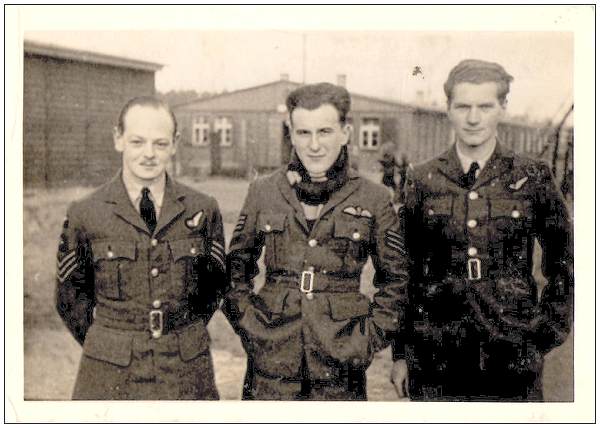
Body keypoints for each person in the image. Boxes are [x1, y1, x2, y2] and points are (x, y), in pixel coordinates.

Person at [390, 59, 574, 401]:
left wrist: (545, 333)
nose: (473, 118)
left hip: (513, 356)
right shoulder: (423, 179)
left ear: (502, 108)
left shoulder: (532, 176)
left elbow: (566, 262)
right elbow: (406, 272)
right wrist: (401, 354)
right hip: (436, 359)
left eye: (485, 106)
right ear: (448, 109)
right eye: (463, 106)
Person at [223, 82, 409, 400]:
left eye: (324, 131)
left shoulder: (373, 197)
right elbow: (234, 269)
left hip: (339, 366)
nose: (314, 145)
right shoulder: (264, 191)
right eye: (304, 133)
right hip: (272, 363)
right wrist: (251, 327)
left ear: (345, 132)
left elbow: (397, 281)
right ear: (291, 134)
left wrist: (366, 341)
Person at [55, 96, 227, 400]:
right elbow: (70, 299)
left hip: (185, 370)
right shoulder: (86, 212)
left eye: (160, 144)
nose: (149, 154)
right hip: (110, 374)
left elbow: (212, 289)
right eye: (137, 142)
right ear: (118, 139)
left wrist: (180, 332)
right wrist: (110, 343)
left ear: (175, 144)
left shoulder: (202, 209)